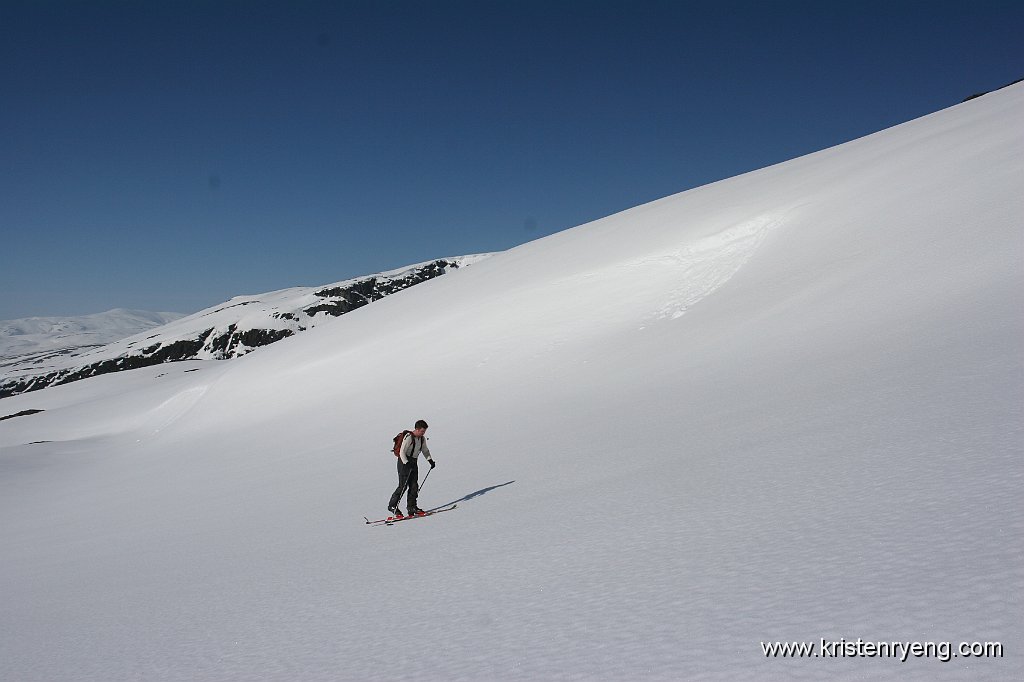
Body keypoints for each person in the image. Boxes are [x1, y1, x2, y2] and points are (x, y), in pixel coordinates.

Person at [388, 419, 436, 516]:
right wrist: (406, 463)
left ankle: (412, 507)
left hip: (413, 462)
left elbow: (425, 450)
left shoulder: (421, 439)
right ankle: (392, 506)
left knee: (414, 485)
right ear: (417, 429)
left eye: (424, 431)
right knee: (403, 486)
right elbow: (402, 452)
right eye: (422, 431)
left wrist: (430, 460)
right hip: (403, 462)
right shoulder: (409, 437)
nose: (423, 433)